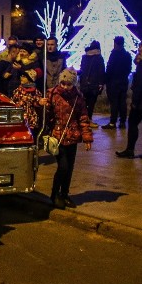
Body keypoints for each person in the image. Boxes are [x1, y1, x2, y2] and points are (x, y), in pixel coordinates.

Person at [40, 68, 93, 209]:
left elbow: (83, 118)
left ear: (73, 84)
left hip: (72, 136)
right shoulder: (52, 94)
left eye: (68, 84)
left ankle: (64, 194)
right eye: (63, 83)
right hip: (58, 136)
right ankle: (54, 193)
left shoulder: (78, 98)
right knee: (63, 167)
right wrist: (41, 106)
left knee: (69, 168)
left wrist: (87, 138)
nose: (65, 86)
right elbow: (46, 114)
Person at [102, 36, 133, 129]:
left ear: (115, 43)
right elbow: (129, 69)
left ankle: (112, 122)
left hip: (113, 82)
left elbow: (109, 69)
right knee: (122, 102)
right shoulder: (127, 55)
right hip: (123, 81)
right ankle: (122, 122)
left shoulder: (114, 55)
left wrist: (106, 80)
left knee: (114, 103)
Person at [11, 67, 44, 140]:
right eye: (21, 76)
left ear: (29, 79)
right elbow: (13, 102)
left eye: (24, 76)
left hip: (31, 118)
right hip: (19, 117)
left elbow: (37, 102)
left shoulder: (35, 92)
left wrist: (39, 103)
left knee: (32, 136)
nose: (21, 78)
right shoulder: (18, 90)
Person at [78, 40, 105, 127]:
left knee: (84, 103)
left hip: (85, 83)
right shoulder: (99, 58)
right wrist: (101, 83)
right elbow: (101, 71)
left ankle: (83, 120)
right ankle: (88, 120)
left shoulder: (84, 57)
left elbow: (82, 70)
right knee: (91, 103)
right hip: (94, 84)